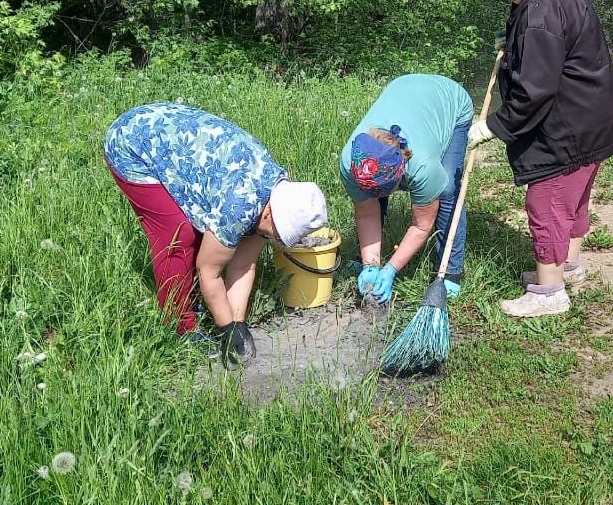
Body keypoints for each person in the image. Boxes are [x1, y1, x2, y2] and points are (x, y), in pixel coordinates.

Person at [468, 0, 613, 318]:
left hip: (568, 127)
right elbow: (544, 44)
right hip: (593, 117)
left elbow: (534, 92)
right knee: (573, 200)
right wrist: (514, 41)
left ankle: (550, 292)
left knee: (548, 202)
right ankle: (569, 265)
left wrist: (491, 127)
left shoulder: (539, 13)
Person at [104, 102, 327, 368]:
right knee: (178, 236)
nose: (276, 240)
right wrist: (226, 328)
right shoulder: (238, 207)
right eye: (278, 235)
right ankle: (180, 328)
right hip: (134, 142)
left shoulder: (277, 195)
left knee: (209, 238)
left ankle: (196, 301)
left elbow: (243, 265)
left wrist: (237, 323)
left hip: (177, 142)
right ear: (269, 214)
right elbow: (208, 270)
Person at [339, 75, 475, 304]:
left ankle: (449, 270)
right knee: (372, 198)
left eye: (385, 192)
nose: (378, 197)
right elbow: (366, 212)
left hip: (450, 101)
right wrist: (371, 265)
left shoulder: (422, 167)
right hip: (403, 87)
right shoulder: (351, 160)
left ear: (401, 174)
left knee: (448, 189)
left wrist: (392, 268)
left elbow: (422, 225)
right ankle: (370, 259)